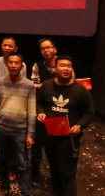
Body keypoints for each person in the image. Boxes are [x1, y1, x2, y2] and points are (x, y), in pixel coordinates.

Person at [36, 54, 95, 196]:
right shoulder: (46, 86)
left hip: (69, 140)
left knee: (67, 175)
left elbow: (89, 113)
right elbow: (39, 103)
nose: (66, 69)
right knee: (54, 171)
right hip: (50, 136)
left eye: (69, 66)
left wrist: (80, 125)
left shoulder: (80, 90)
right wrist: (41, 112)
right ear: (55, 68)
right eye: (62, 66)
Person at [0, 52, 35, 196]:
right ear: (6, 65)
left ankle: (25, 193)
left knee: (22, 164)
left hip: (20, 131)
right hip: (2, 129)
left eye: (17, 63)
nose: (14, 65)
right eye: (11, 63)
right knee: (3, 161)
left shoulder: (29, 85)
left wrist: (30, 134)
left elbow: (32, 111)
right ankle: (4, 188)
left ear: (22, 66)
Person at [30, 37, 61, 179]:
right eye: (43, 48)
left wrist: (46, 85)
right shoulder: (37, 65)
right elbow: (34, 85)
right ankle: (34, 169)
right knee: (37, 140)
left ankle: (56, 172)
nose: (46, 50)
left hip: (59, 108)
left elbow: (70, 83)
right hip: (41, 106)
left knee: (55, 143)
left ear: (55, 49)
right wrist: (53, 85)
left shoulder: (63, 64)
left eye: (48, 47)